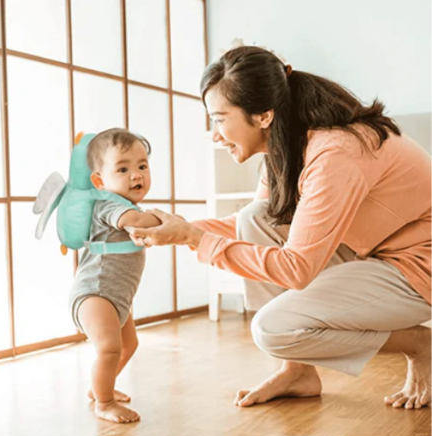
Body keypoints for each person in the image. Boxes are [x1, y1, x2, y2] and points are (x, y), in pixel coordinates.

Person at [126, 46, 432, 410]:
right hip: (376, 254)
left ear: (263, 115)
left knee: (274, 330)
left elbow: (297, 268)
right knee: (254, 216)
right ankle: (298, 372)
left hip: (418, 267)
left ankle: (420, 344)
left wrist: (193, 238)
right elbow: (252, 226)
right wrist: (175, 228)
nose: (215, 135)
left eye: (220, 119)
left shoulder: (336, 152)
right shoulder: (288, 146)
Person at [69, 128, 160, 424]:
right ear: (100, 181)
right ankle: (104, 402)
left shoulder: (128, 204)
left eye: (142, 166)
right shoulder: (110, 203)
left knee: (128, 345)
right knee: (109, 348)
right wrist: (164, 219)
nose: (136, 175)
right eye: (123, 168)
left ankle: (100, 387)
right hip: (96, 292)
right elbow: (133, 223)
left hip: (116, 296)